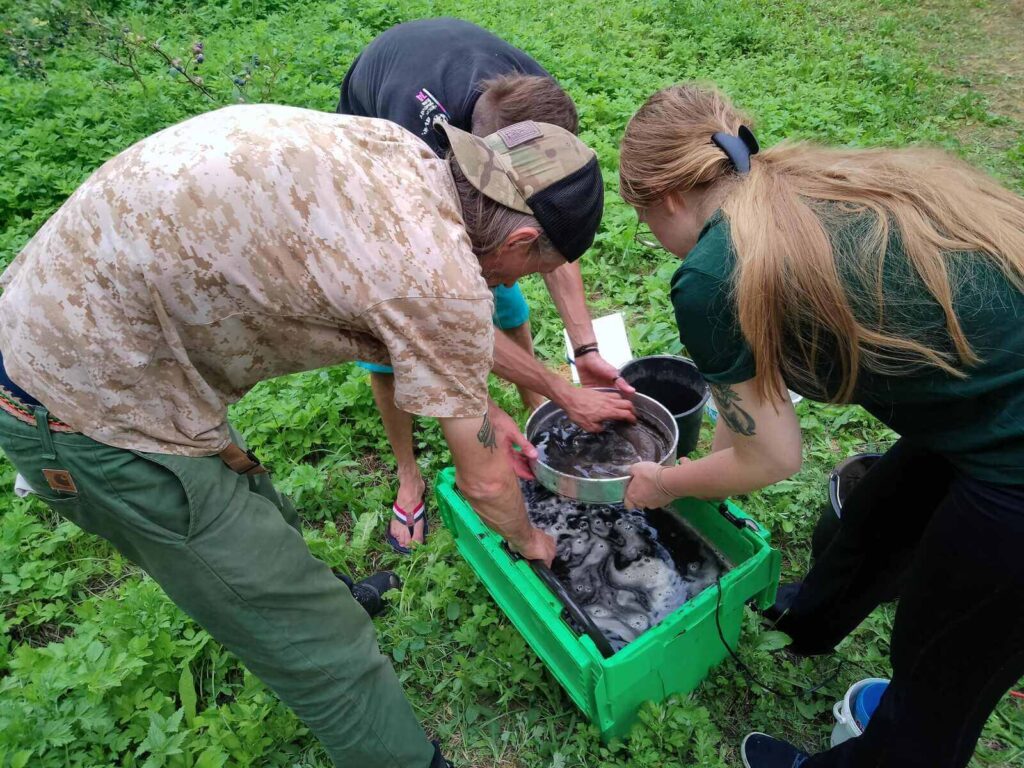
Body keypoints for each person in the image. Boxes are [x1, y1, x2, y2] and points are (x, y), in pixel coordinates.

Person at [0, 103, 607, 767]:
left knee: (259, 506)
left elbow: (423, 316)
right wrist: (532, 539)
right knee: (320, 639)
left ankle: (315, 586)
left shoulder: (402, 156)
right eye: (528, 272)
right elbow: (485, 481)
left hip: (76, 321)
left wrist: (484, 408)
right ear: (521, 245)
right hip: (84, 410)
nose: (511, 284)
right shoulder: (439, 274)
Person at [618, 84, 1024, 768]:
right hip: (986, 400)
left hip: (1012, 457)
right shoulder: (782, 187)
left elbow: (772, 457)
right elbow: (749, 414)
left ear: (665, 199)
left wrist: (663, 482)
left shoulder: (712, 274)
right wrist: (715, 466)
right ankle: (806, 621)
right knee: (880, 518)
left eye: (641, 219)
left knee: (936, 678)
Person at [339, 17, 635, 552]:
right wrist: (532, 397)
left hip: (488, 196)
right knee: (392, 344)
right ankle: (409, 476)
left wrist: (584, 350)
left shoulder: (536, 110)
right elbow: (432, 318)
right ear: (480, 164)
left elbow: (552, 234)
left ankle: (530, 415)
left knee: (499, 291)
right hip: (372, 168)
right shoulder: (413, 151)